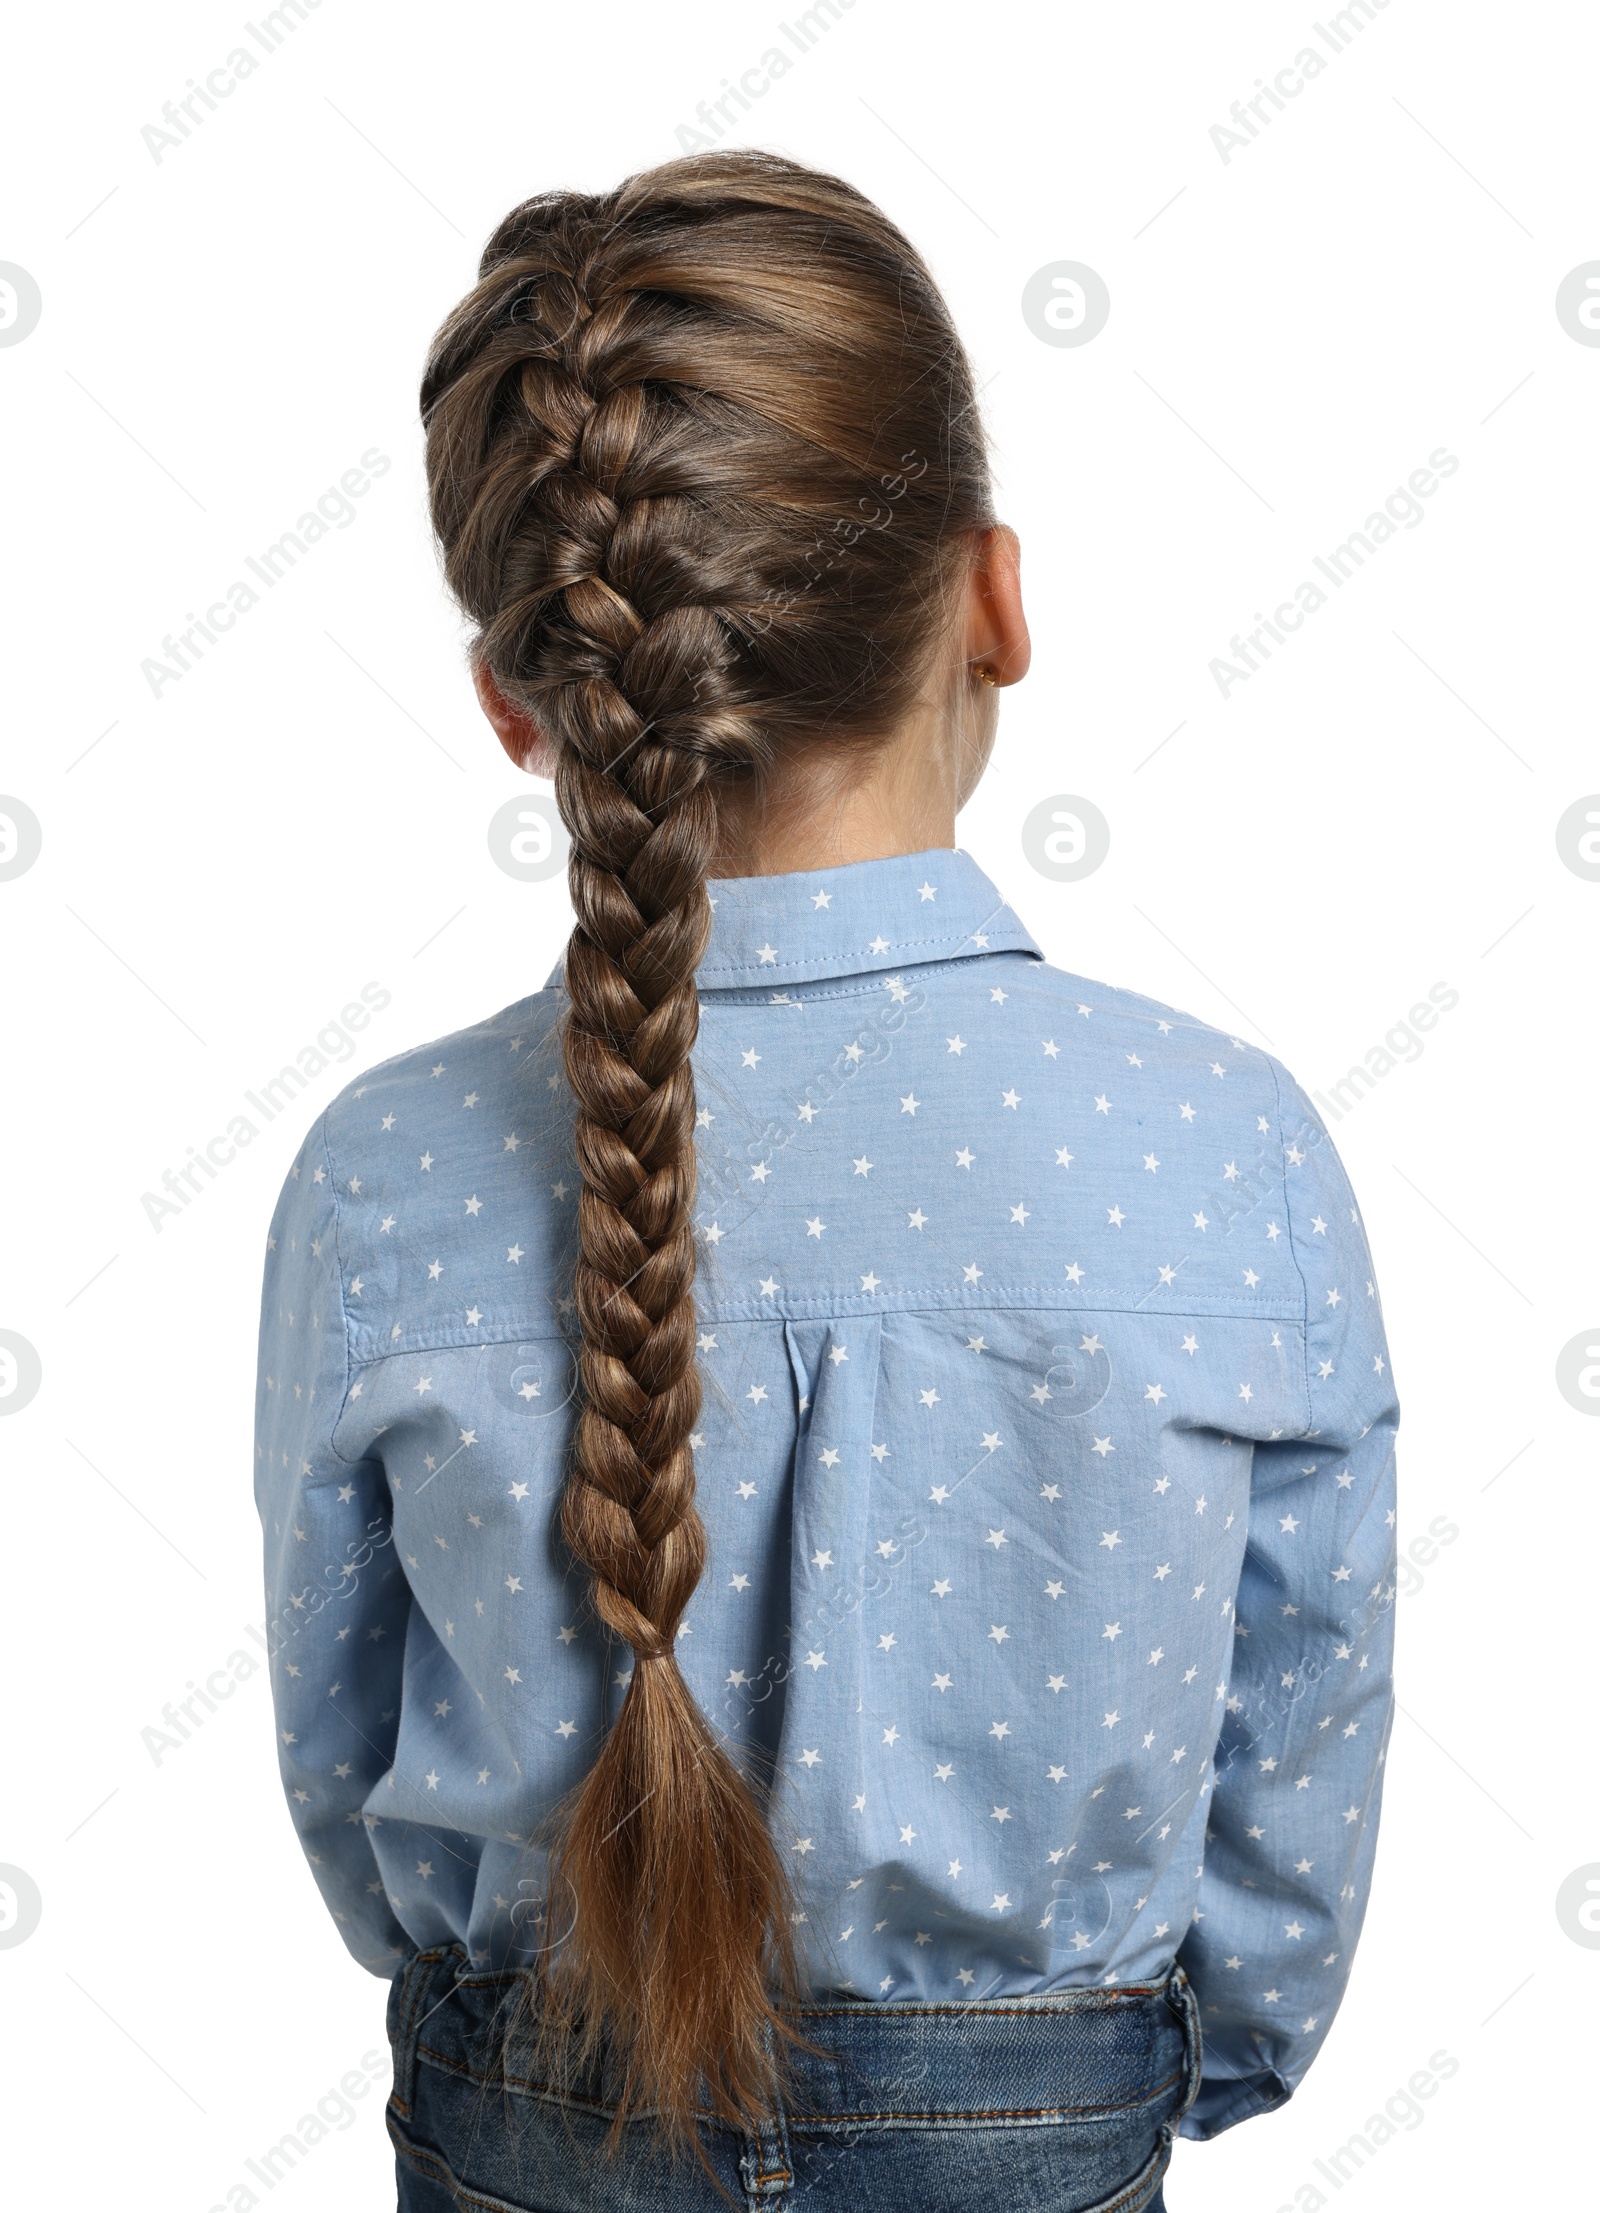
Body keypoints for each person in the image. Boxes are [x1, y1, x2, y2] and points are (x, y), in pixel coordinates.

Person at [254, 150, 1399, 2213]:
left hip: (534, 2124)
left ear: (523, 706)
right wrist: (1156, 2072)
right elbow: (1286, 1780)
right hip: (1035, 2138)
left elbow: (352, 1790)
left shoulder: (382, 1173)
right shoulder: (1224, 1145)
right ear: (990, 596)